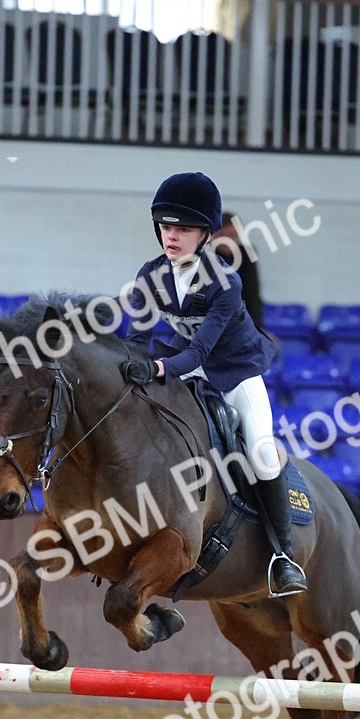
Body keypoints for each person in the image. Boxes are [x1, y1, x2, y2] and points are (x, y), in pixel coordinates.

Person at [123, 171, 307, 597]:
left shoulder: (225, 281)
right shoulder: (151, 275)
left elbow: (198, 354)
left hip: (235, 373)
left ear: (205, 234)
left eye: (183, 229)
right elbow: (135, 341)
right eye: (166, 227)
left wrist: (158, 369)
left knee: (261, 450)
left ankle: (283, 557)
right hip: (187, 369)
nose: (172, 236)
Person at [213, 212, 263, 330]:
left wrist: (258, 329)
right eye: (222, 236)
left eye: (232, 235)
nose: (227, 241)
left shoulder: (247, 253)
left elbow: (252, 293)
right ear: (214, 235)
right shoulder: (204, 255)